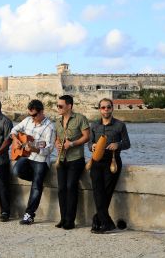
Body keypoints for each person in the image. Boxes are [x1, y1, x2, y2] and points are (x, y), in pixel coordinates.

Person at [89, 98, 130, 234]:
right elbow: (89, 143)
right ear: (99, 109)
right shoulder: (94, 125)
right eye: (103, 107)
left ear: (112, 108)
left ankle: (98, 220)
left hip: (112, 161)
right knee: (97, 192)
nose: (105, 110)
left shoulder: (120, 125)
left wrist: (118, 145)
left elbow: (127, 143)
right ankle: (106, 222)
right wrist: (92, 146)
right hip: (96, 160)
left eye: (108, 107)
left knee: (106, 192)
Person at [10, 99, 55, 225]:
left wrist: (35, 148)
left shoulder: (49, 127)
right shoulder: (28, 120)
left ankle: (29, 214)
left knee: (36, 186)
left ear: (41, 112)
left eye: (35, 115)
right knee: (16, 170)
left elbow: (49, 149)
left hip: (41, 160)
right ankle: (37, 181)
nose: (33, 118)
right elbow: (13, 130)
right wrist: (15, 140)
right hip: (27, 156)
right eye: (31, 115)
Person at [54, 95, 90, 230]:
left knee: (71, 187)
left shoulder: (80, 118)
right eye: (57, 106)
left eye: (60, 106)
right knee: (61, 189)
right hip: (62, 159)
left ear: (69, 106)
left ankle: (70, 220)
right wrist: (57, 144)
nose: (58, 108)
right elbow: (57, 138)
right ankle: (63, 219)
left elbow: (87, 137)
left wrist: (72, 143)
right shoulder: (57, 122)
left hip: (76, 159)